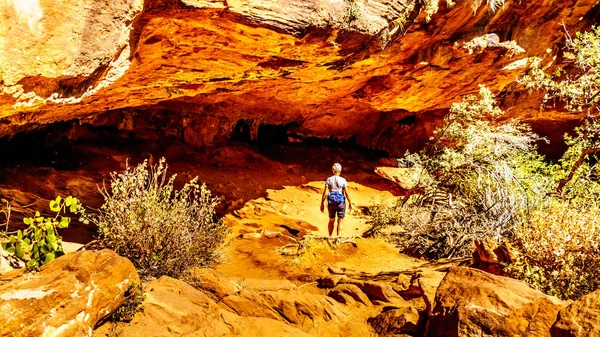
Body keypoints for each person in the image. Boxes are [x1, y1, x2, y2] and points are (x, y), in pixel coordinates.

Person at [320, 163, 352, 238]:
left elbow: (325, 193)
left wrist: (322, 204)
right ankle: (338, 237)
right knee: (340, 220)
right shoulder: (343, 180)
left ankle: (330, 236)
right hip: (341, 203)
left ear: (333, 171)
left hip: (331, 203)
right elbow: (347, 193)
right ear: (340, 171)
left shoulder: (329, 180)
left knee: (331, 220)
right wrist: (350, 203)